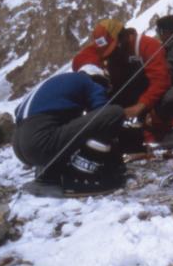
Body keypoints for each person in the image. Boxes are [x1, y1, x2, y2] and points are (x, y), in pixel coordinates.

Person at [12, 64, 126, 195]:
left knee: (71, 128)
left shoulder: (57, 82)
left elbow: (19, 111)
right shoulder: (88, 81)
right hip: (39, 143)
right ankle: (79, 175)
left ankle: (50, 170)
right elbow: (101, 110)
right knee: (114, 112)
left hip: (19, 146)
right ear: (97, 78)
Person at [72, 19, 173, 140]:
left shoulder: (147, 45)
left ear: (124, 37)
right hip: (120, 95)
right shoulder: (102, 47)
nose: (111, 54)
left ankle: (155, 130)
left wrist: (141, 105)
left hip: (148, 95)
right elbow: (79, 60)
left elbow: (161, 80)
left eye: (113, 49)